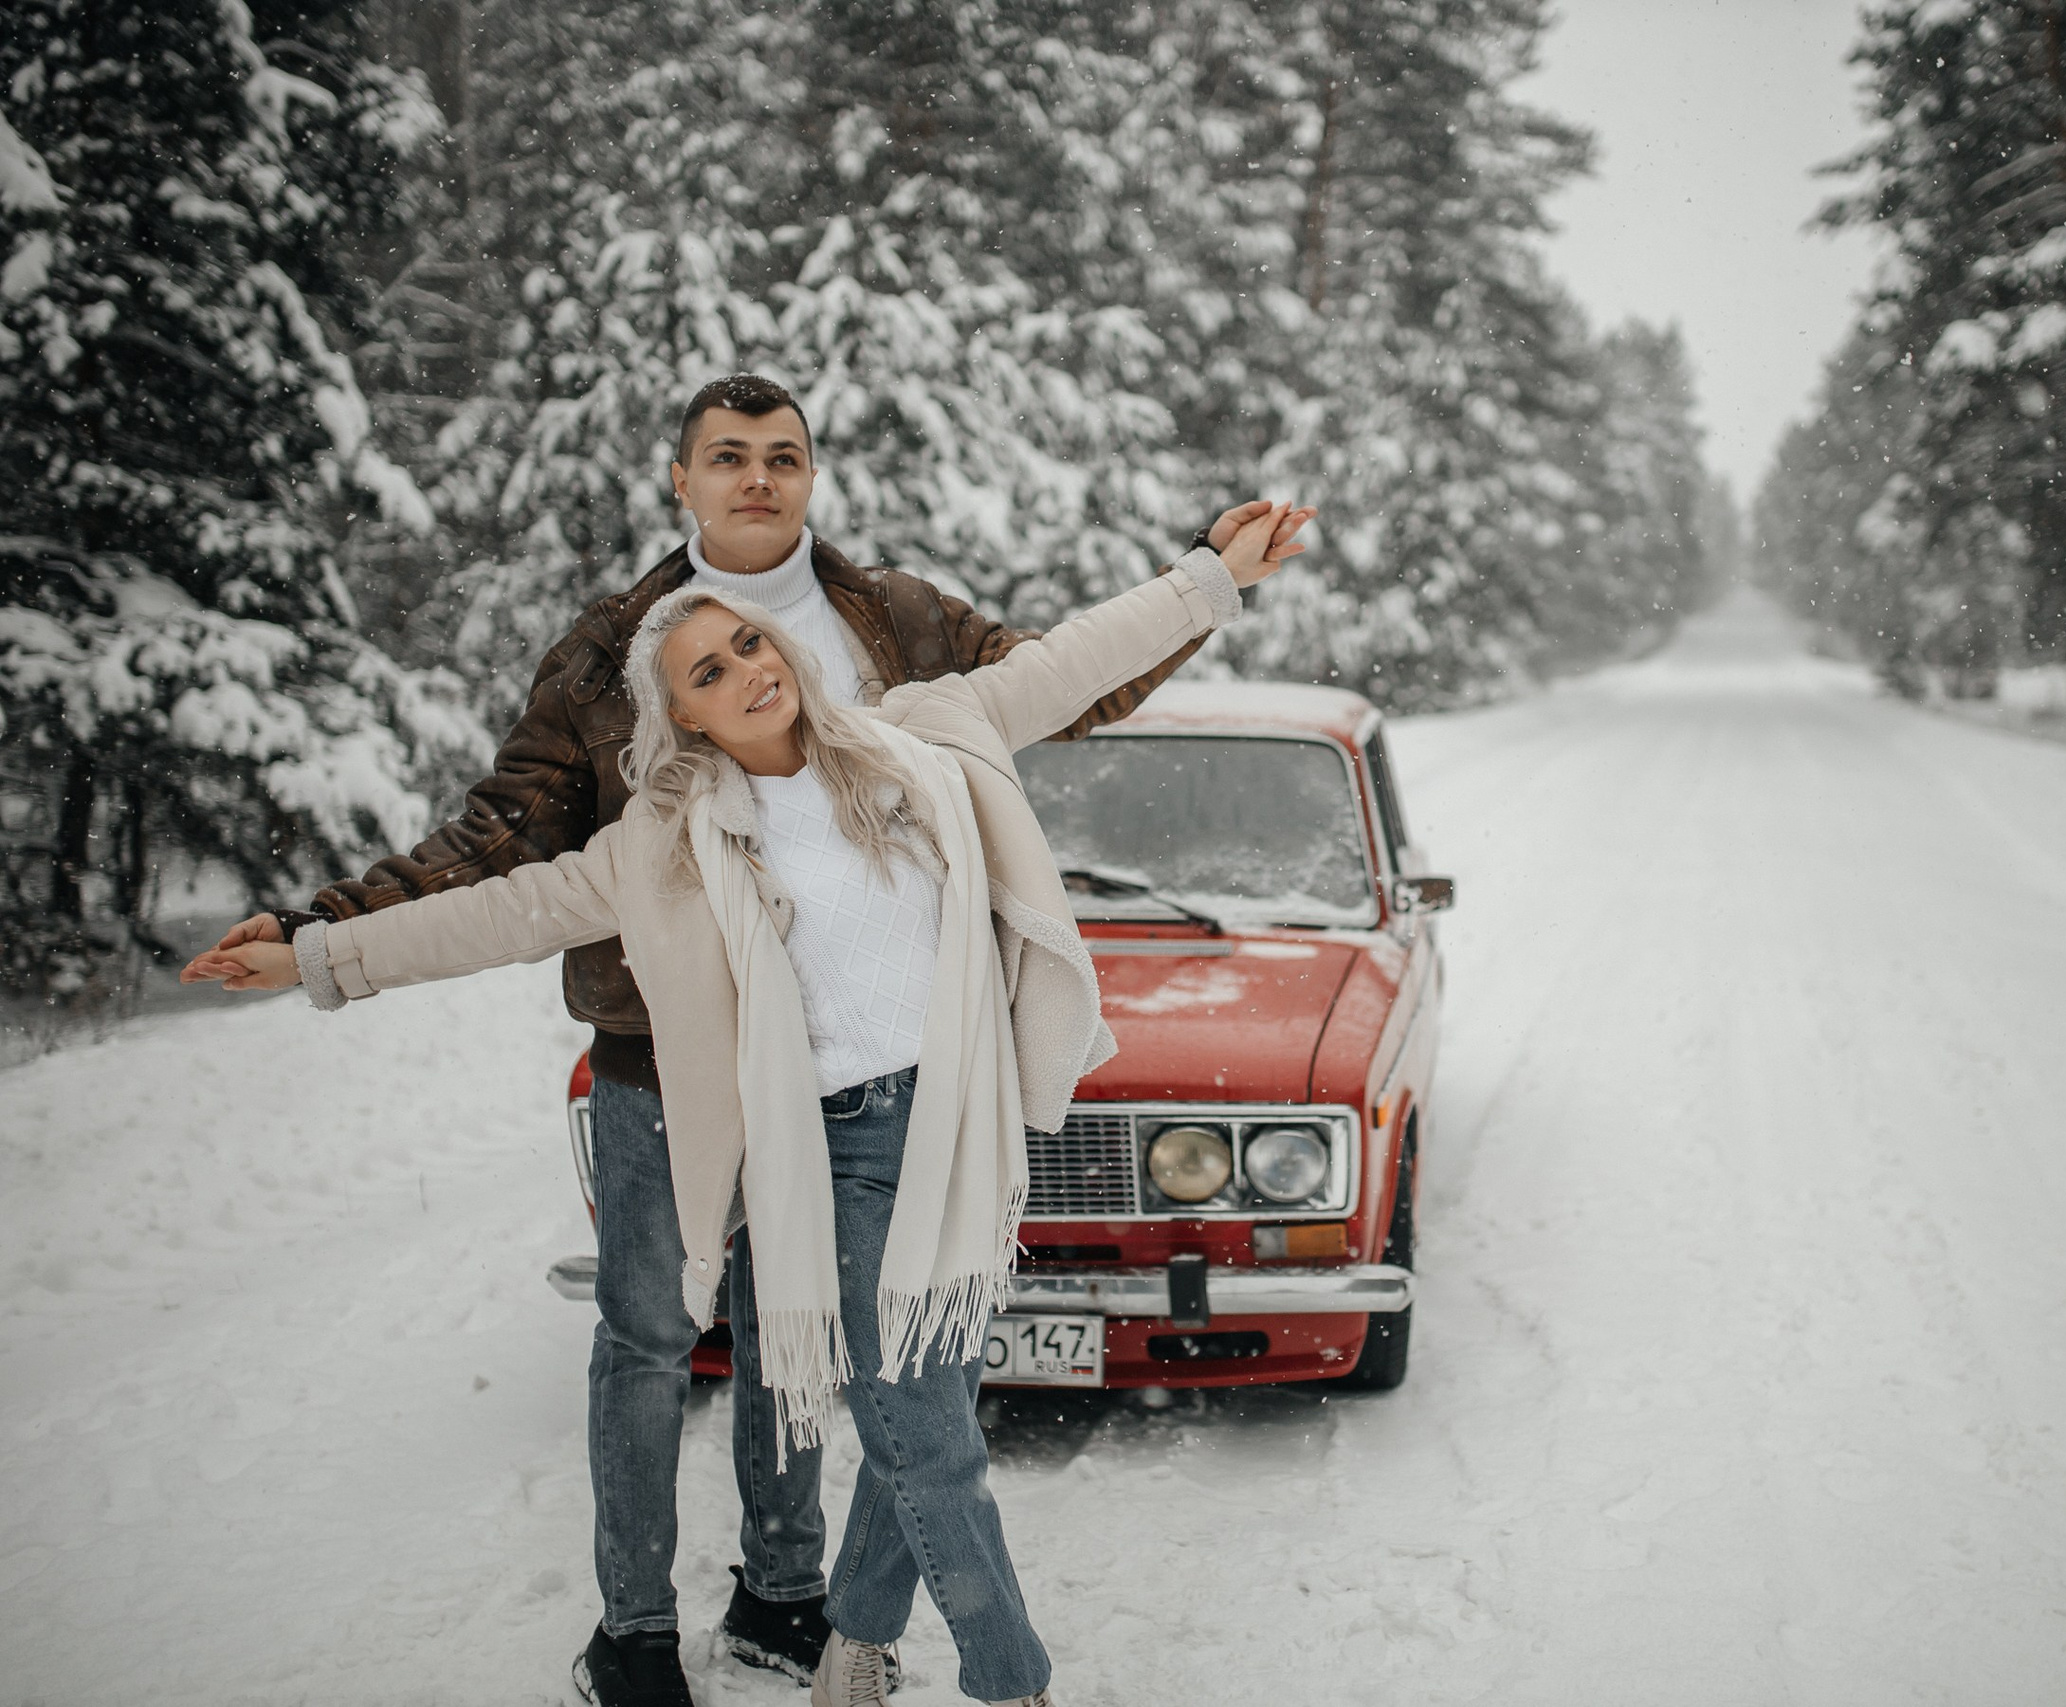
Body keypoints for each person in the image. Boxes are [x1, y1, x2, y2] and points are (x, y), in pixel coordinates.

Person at [193, 370, 1289, 1706]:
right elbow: (500, 886)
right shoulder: (650, 784)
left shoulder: (910, 693)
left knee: (913, 1405)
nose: (748, 664)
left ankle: (830, 1630)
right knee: (852, 1405)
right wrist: (320, 947)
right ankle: (952, 1675)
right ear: (683, 713)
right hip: (768, 1119)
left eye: (781, 455)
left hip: (949, 1117)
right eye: (710, 670)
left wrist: (1208, 577)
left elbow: (1068, 668)